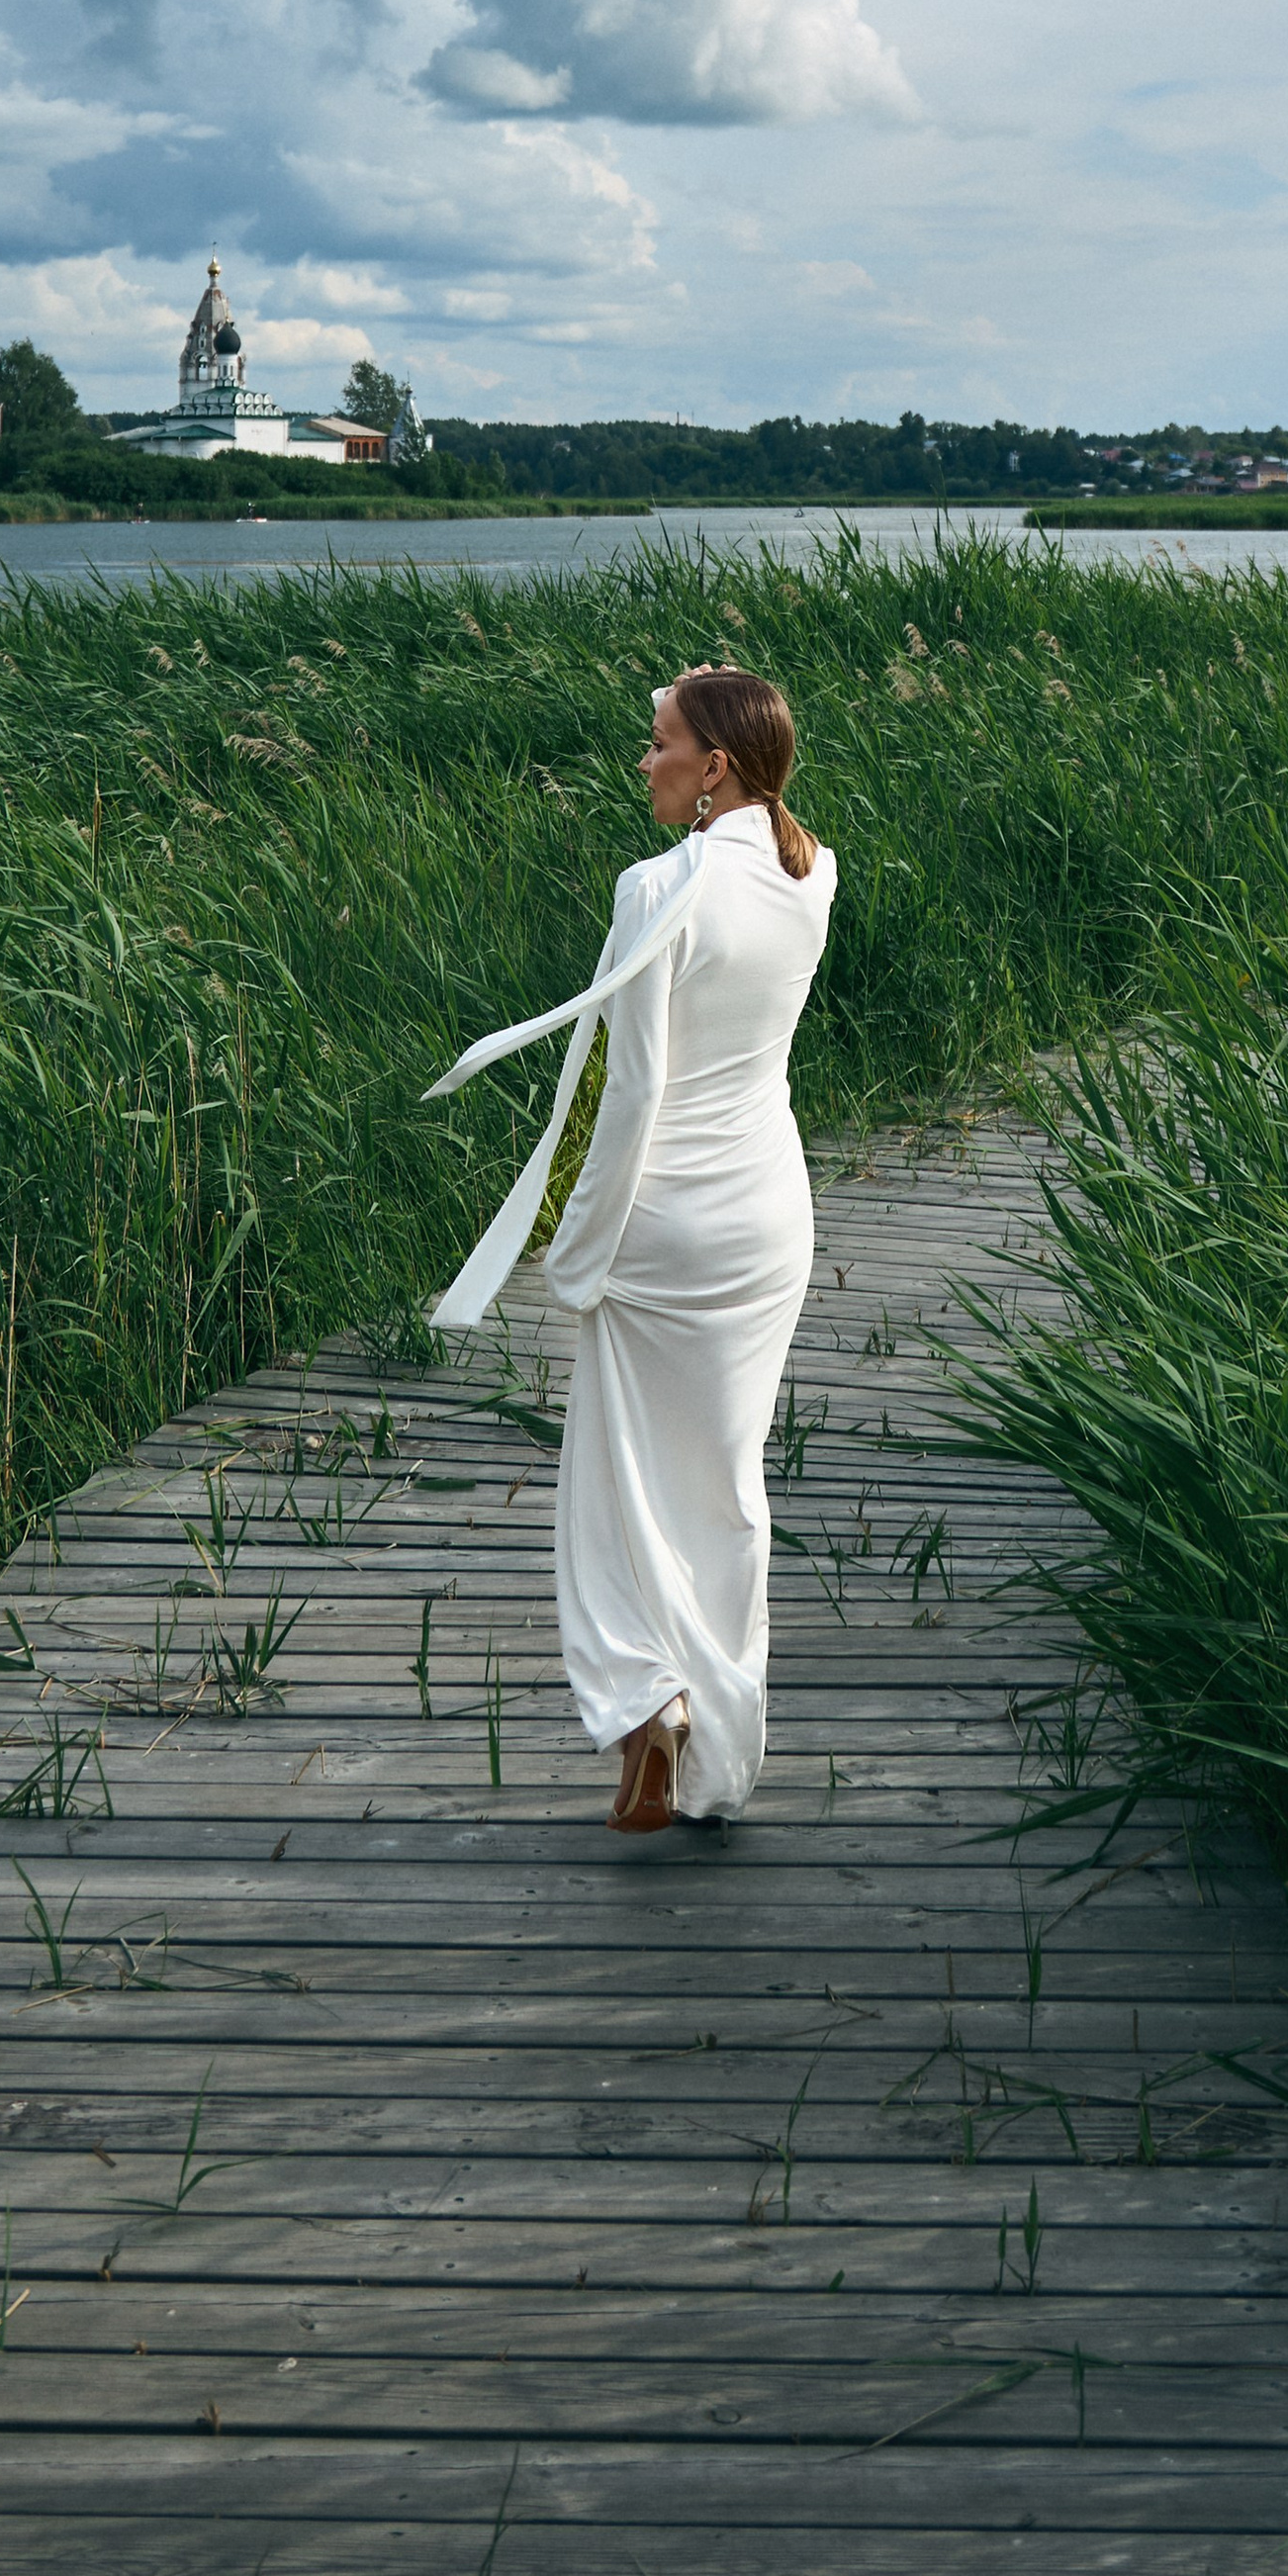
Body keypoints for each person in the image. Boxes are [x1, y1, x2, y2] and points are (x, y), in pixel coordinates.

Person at [426, 665, 836, 1830]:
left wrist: (578, 1248)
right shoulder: (817, 874)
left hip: (667, 1220)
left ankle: (649, 1701)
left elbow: (632, 1091)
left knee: (613, 1487)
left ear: (714, 767)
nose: (643, 761)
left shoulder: (657, 886)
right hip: (766, 1212)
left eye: (658, 743)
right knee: (726, 1482)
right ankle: (714, 1730)